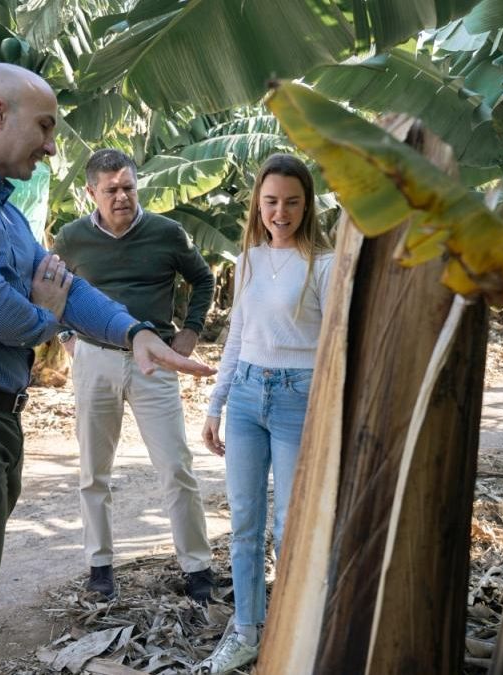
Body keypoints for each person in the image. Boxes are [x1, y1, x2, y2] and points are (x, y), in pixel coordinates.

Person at [0, 63, 214, 674]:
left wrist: (133, 333)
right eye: (45, 126)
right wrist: (47, 317)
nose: (53, 144)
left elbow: (68, 289)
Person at [55, 149, 217, 602]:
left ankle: (198, 568)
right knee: (93, 472)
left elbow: (203, 279)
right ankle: (100, 567)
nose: (122, 196)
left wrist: (191, 330)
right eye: (111, 190)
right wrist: (67, 336)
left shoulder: (167, 233)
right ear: (91, 192)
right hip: (94, 359)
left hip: (156, 361)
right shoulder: (71, 239)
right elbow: (49, 289)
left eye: (128, 187)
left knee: (175, 466)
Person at [197, 154, 334, 672]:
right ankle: (248, 630)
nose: (281, 212)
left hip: (299, 396)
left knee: (289, 521)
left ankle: (300, 632)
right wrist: (216, 404)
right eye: (272, 200)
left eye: (292, 202)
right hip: (247, 397)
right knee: (245, 523)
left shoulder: (324, 262)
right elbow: (236, 336)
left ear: (307, 205)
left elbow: (332, 346)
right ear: (258, 201)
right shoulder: (248, 257)